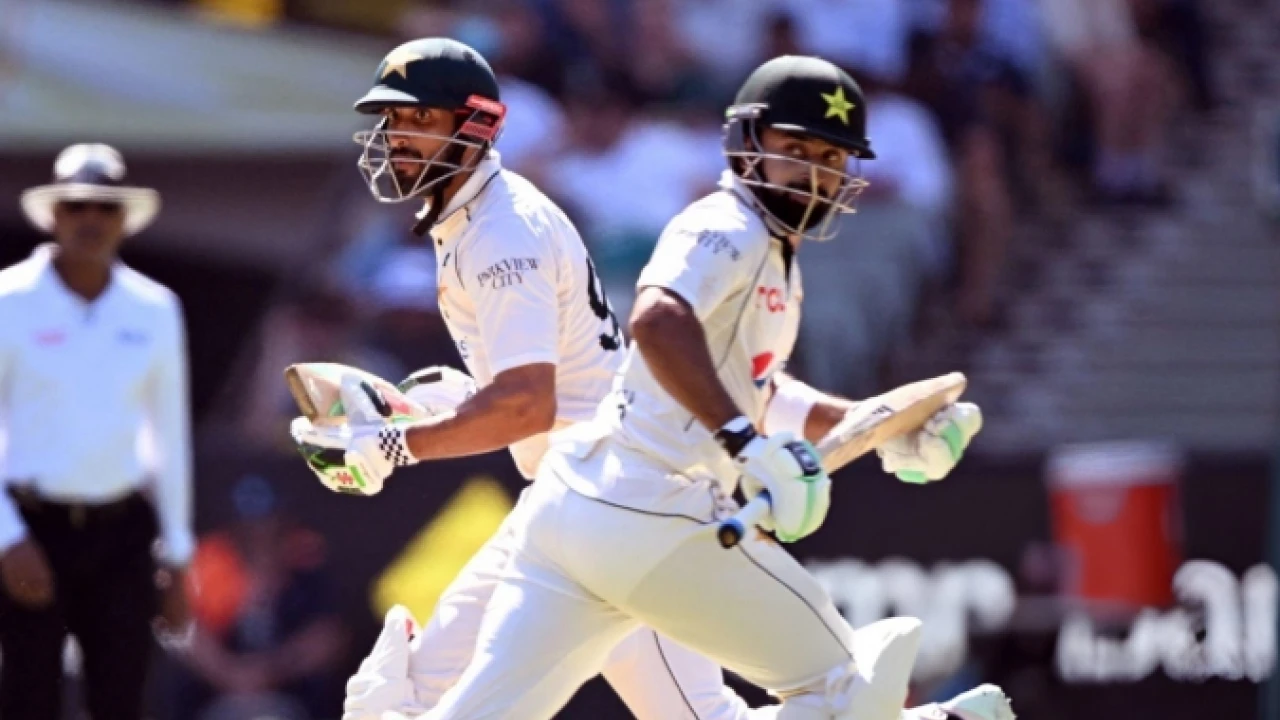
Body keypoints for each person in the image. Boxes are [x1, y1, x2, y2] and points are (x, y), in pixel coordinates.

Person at [295, 45, 1014, 720]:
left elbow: (542, 399)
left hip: (593, 500)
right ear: (744, 144)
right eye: (394, 120)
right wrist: (423, 419)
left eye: (828, 158)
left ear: (477, 126)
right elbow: (614, 359)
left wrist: (397, 444)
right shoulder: (501, 227)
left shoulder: (502, 232)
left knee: (425, 694)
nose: (397, 137)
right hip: (614, 500)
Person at [0, 143, 194, 719]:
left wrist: (179, 557)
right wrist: (7, 538)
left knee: (122, 698)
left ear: (124, 220)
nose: (91, 219)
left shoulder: (154, 309)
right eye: (77, 205)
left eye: (105, 207)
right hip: (32, 527)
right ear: (54, 215)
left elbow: (170, 437)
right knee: (28, 700)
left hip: (122, 531)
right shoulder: (10, 301)